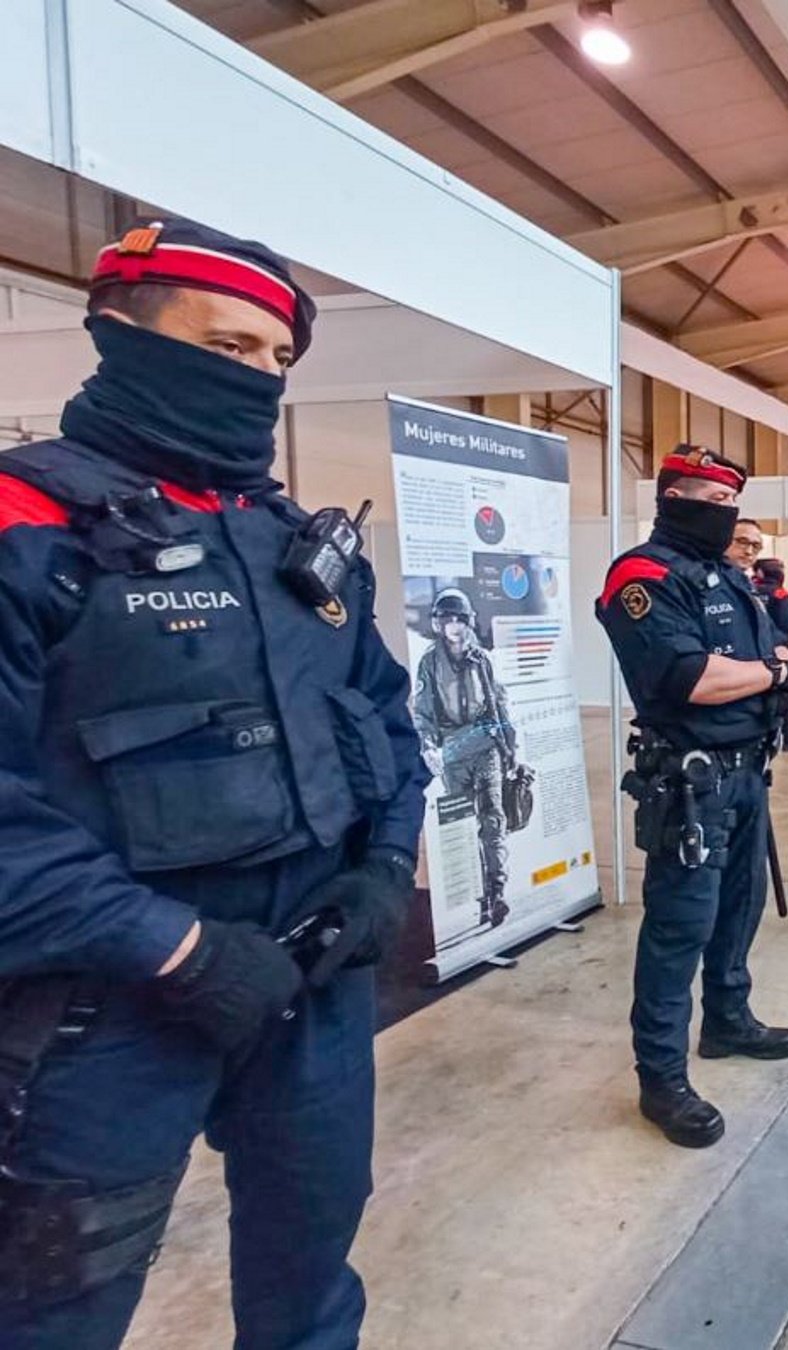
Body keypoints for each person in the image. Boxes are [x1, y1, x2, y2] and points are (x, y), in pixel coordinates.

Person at [0, 219, 429, 1344]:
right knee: (56, 1310)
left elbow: (388, 723)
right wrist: (174, 951)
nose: (257, 377)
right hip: (107, 1003)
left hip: (315, 979)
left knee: (312, 1274)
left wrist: (384, 871)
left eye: (276, 361)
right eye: (228, 345)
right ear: (119, 329)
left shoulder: (300, 549)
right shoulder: (24, 527)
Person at [596, 445, 788, 1148]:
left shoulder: (728, 575)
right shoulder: (643, 574)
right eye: (707, 500)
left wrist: (767, 671)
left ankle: (727, 1020)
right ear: (672, 497)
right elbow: (690, 676)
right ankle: (661, 1076)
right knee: (679, 926)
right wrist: (774, 675)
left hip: (746, 771)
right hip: (690, 782)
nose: (721, 514)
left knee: (739, 908)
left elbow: (761, 654)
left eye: (730, 504)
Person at [412, 587, 518, 929]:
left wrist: (510, 747)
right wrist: (428, 745)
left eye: (459, 619)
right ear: (438, 624)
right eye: (447, 619)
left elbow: (498, 703)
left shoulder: (480, 659)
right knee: (462, 826)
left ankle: (496, 891)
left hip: (486, 747)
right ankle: (478, 895)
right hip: (453, 753)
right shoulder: (429, 662)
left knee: (493, 819)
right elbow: (424, 711)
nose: (454, 626)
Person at [752, 558, 788, 751]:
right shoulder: (779, 593)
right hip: (777, 650)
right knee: (784, 691)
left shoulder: (748, 590)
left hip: (751, 651)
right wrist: (784, 642)